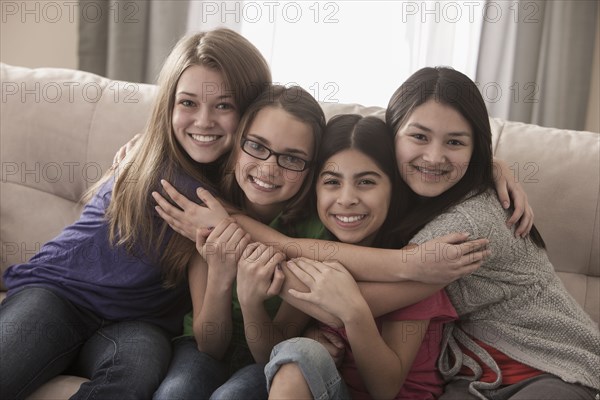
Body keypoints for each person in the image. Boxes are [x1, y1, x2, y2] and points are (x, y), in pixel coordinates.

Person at [0, 28, 271, 400]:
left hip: (136, 323)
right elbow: (275, 241)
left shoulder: (234, 184)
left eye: (223, 105)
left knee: (136, 370)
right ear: (169, 107)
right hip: (59, 292)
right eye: (188, 103)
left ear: (251, 110)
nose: (203, 121)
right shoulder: (172, 178)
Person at [387, 66, 600, 399]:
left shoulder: (469, 220)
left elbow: (382, 283)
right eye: (419, 136)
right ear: (390, 134)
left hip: (555, 369)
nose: (434, 156)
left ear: (476, 151)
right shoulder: (381, 196)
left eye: (455, 142)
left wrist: (287, 246)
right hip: (472, 375)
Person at [264, 114, 459, 399]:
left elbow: (385, 389)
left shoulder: (419, 266)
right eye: (332, 182)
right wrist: (305, 340)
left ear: (394, 188)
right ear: (314, 190)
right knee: (298, 354)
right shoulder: (316, 255)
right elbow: (273, 348)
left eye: (366, 182)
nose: (346, 199)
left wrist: (354, 313)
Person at [152, 85, 327, 399]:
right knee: (175, 393)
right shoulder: (206, 206)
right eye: (257, 146)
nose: (268, 168)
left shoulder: (316, 231)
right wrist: (220, 275)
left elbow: (269, 354)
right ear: (236, 145)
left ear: (311, 169)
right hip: (203, 346)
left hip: (265, 354)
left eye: (292, 158)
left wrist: (250, 300)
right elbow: (209, 345)